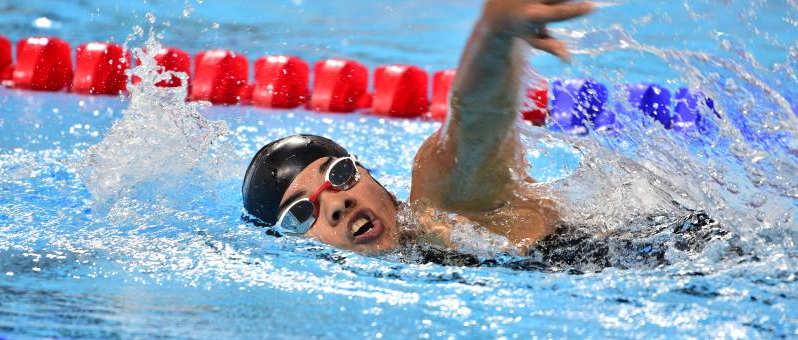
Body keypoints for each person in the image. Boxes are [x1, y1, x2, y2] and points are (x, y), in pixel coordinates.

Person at [242, 0, 597, 258]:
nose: (338, 202)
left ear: (368, 174)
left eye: (340, 174)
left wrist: (496, 34)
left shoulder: (443, 203)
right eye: (301, 213)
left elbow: (476, 123)